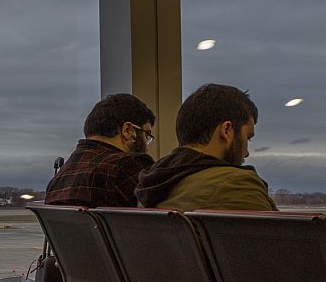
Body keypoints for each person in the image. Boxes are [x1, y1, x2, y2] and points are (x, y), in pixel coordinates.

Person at [135, 84, 276, 212]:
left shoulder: (150, 184)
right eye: (247, 138)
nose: (246, 153)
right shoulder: (236, 185)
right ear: (226, 130)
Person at [45, 94, 155, 207]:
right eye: (147, 135)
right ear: (128, 130)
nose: (146, 146)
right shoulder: (129, 166)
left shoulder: (59, 178)